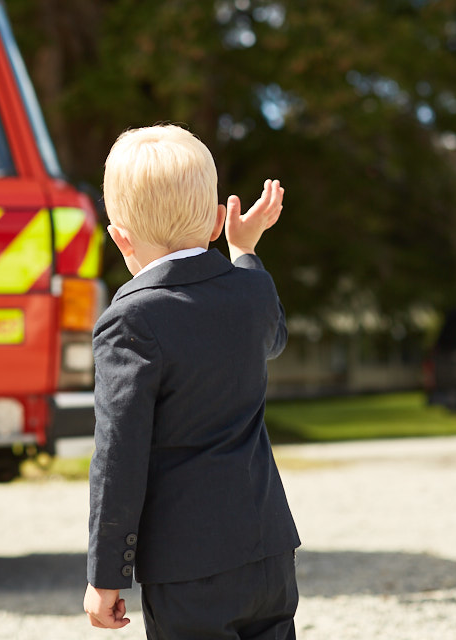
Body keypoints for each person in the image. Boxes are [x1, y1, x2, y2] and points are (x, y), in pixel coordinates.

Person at [83, 125, 299, 639]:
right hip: (268, 549)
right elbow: (273, 336)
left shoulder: (131, 321)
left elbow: (118, 456)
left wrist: (106, 575)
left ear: (120, 237)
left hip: (188, 565)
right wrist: (244, 250)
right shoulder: (250, 293)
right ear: (219, 220)